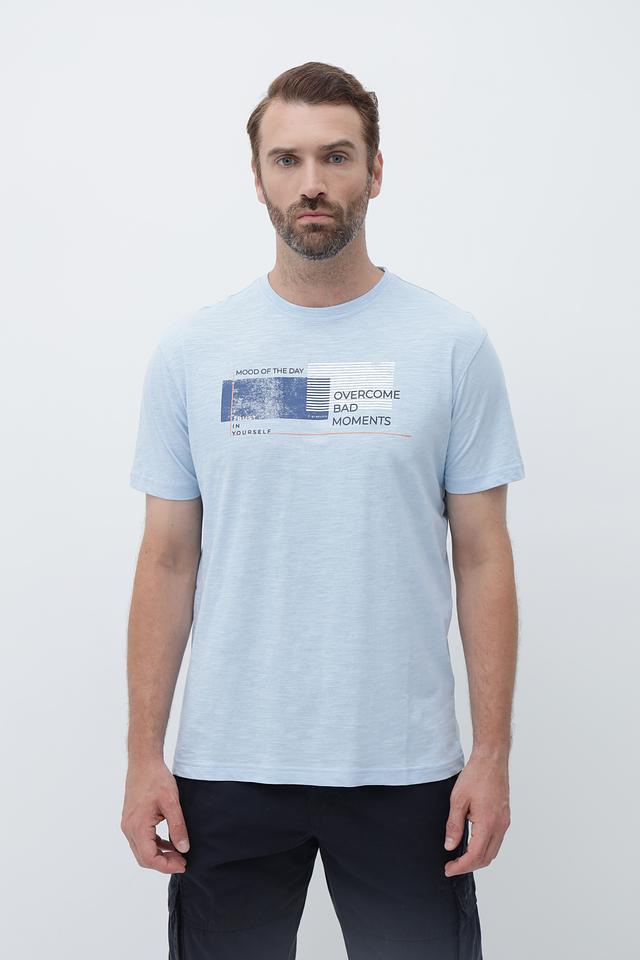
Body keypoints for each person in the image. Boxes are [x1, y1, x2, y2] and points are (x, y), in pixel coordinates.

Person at [121, 60, 525, 960]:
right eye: (288, 159)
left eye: (336, 157)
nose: (312, 182)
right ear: (258, 176)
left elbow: (483, 556)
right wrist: (144, 754)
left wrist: (491, 755)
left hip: (404, 768)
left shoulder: (450, 346)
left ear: (375, 171)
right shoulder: (194, 353)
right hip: (227, 767)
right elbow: (168, 560)